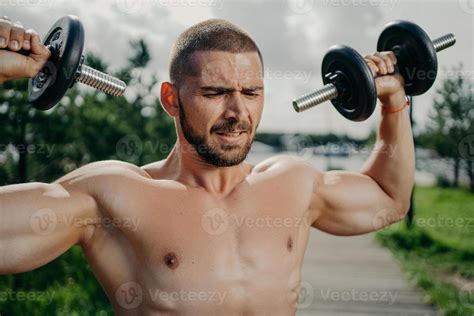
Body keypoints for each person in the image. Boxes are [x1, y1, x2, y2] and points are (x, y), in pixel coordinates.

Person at [0, 16, 414, 315]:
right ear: (170, 99)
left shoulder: (293, 183)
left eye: (251, 92)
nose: (238, 112)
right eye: (215, 92)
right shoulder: (114, 196)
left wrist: (395, 104)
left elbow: (389, 198)